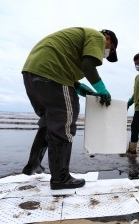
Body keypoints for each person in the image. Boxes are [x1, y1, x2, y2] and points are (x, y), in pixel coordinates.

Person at [21, 27, 118, 190]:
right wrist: (101, 89)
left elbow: (65, 62)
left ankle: (33, 164)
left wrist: (79, 87)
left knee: (49, 120)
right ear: (108, 38)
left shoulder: (77, 38)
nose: (106, 53)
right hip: (52, 75)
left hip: (31, 74)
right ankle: (61, 178)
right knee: (64, 121)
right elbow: (88, 66)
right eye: (111, 49)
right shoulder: (98, 36)